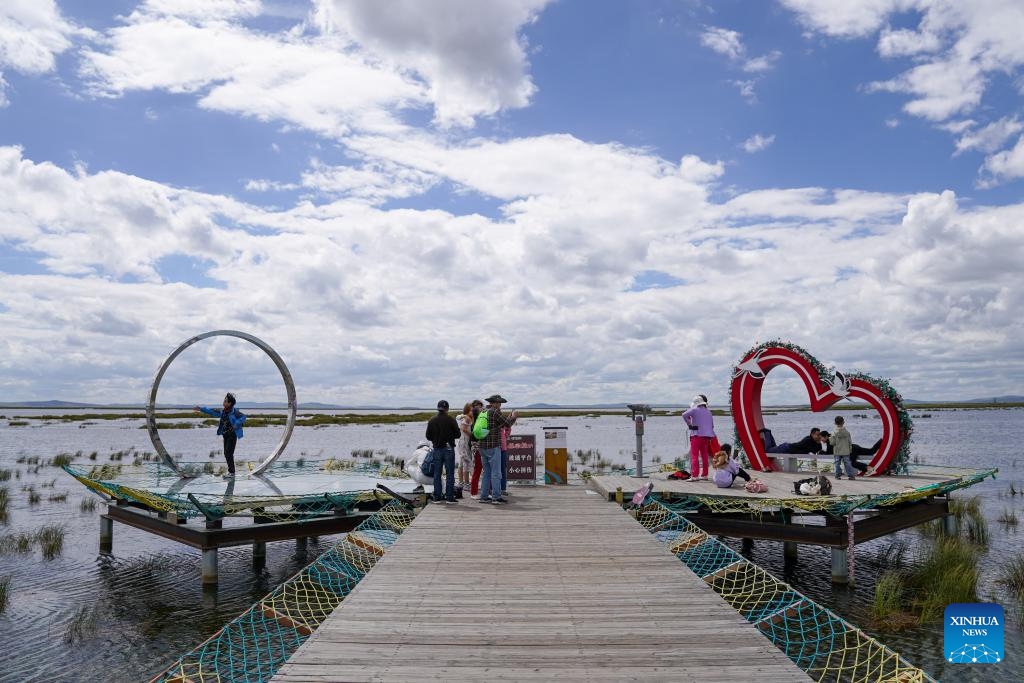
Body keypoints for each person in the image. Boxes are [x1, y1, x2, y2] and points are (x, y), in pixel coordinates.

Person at [476, 394, 518, 504]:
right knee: (496, 473)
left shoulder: (483, 411)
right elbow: (507, 424)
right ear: (494, 403)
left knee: (487, 473)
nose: (500, 405)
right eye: (499, 403)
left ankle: (484, 496)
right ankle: (496, 497)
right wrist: (513, 417)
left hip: (482, 446)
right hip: (493, 446)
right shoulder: (495, 412)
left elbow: (497, 425)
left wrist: (508, 418)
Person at [194, 393, 246, 478]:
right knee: (226, 453)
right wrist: (201, 409)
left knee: (229, 453)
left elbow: (243, 417)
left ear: (230, 403)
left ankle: (232, 473)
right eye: (224, 400)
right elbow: (212, 412)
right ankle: (231, 472)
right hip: (225, 435)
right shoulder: (223, 412)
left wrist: (236, 423)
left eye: (225, 401)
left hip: (232, 435)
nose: (223, 402)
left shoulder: (235, 412)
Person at [425, 400, 461, 504]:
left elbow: (428, 436)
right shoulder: (451, 420)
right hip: (449, 448)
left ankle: (437, 497)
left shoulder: (432, 420)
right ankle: (449, 497)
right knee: (450, 473)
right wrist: (449, 436)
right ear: (447, 409)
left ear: (438, 408)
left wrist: (435, 439)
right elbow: (458, 435)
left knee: (437, 473)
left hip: (437, 449)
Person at [682, 394, 715, 481]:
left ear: (696, 403)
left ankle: (695, 475)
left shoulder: (694, 410)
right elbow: (712, 425)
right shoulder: (709, 412)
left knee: (694, 456)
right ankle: (705, 475)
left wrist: (690, 424)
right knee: (704, 455)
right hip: (707, 437)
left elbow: (684, 415)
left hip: (696, 436)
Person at [456, 402, 474, 489]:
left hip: (466, 443)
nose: (473, 411)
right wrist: (473, 436)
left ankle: (461, 482)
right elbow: (463, 428)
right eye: (471, 409)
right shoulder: (466, 418)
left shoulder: (470, 417)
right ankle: (466, 483)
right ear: (467, 410)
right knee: (466, 462)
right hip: (463, 443)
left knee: (461, 463)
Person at [469, 399, 484, 498]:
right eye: (478, 407)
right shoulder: (474, 421)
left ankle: (481, 489)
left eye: (481, 406)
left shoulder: (476, 420)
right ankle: (474, 492)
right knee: (478, 469)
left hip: (478, 447)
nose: (481, 408)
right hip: (477, 447)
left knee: (481, 469)